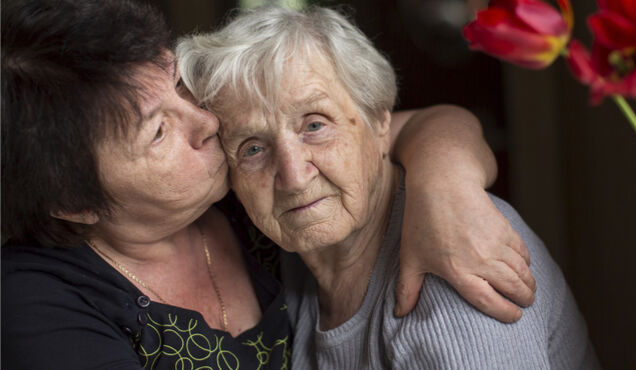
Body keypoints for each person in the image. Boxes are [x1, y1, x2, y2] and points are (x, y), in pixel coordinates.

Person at [2, 0, 534, 369]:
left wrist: (448, 190)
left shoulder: (244, 177)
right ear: (74, 202)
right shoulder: (33, 304)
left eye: (181, 86)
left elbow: (410, 125)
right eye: (160, 131)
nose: (207, 122)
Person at [178, 5, 601, 369]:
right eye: (252, 148)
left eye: (315, 125)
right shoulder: (290, 259)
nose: (293, 176)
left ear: (381, 123)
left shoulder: (456, 269)